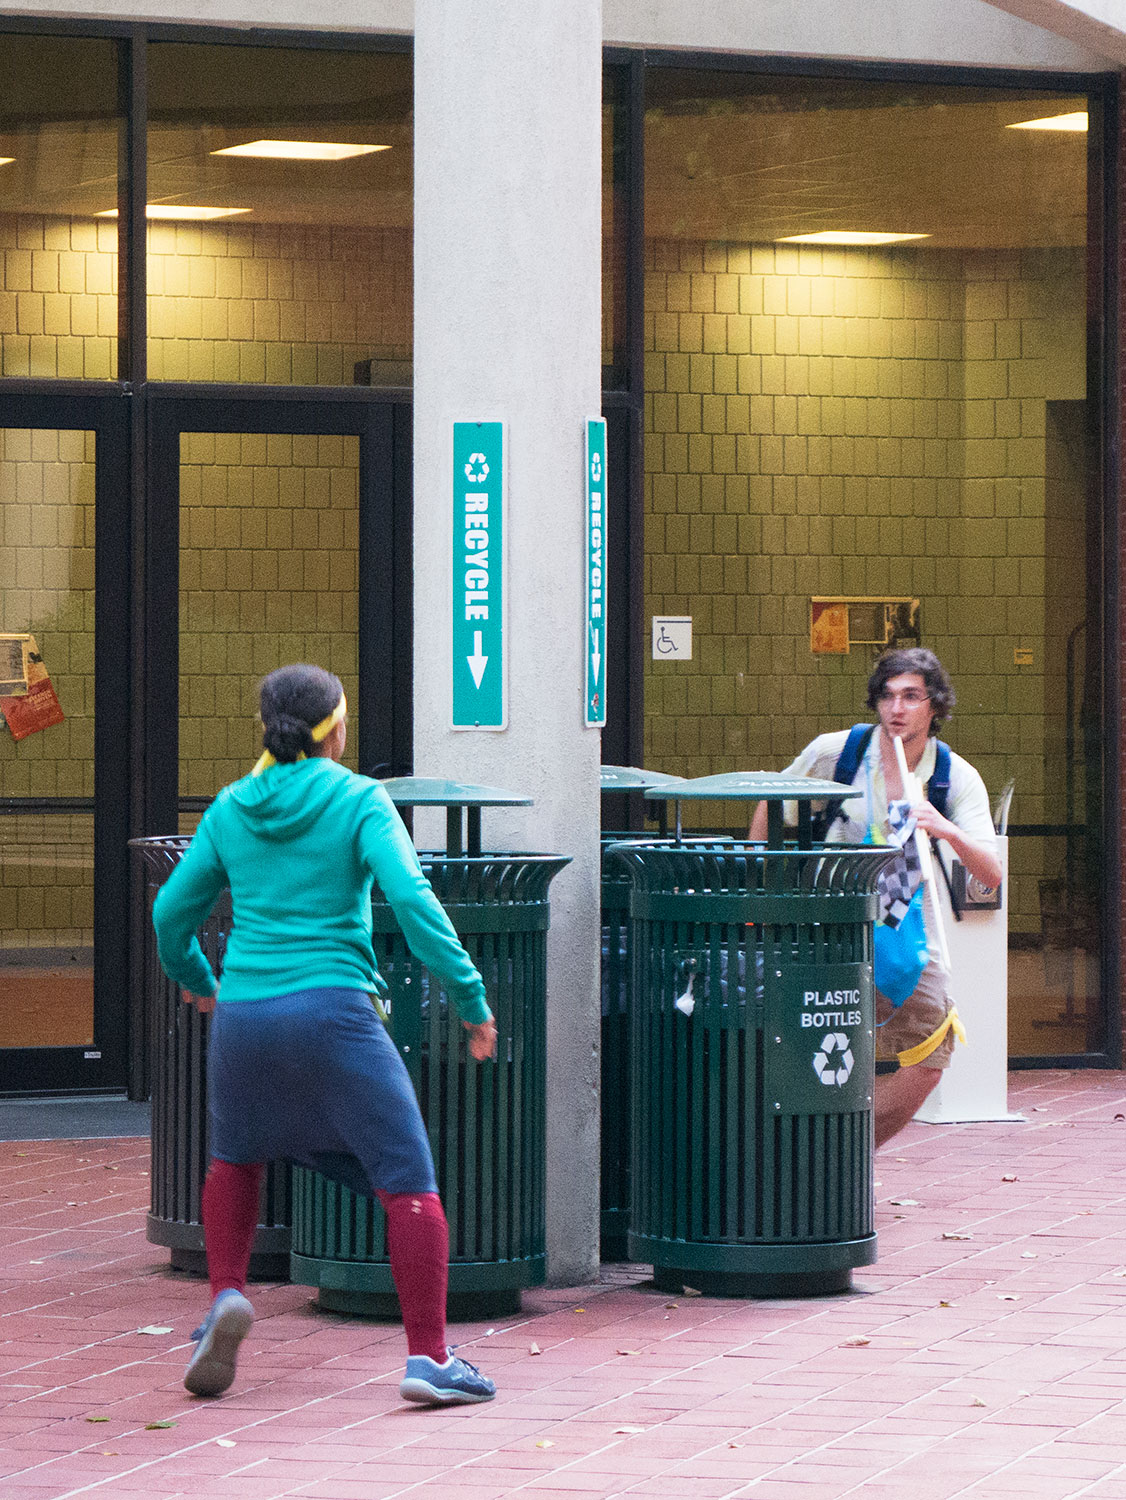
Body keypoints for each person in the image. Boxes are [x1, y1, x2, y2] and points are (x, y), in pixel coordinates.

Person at [152, 663, 499, 1405]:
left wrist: (202, 982)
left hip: (244, 1017)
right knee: (407, 1176)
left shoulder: (232, 806)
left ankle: (224, 1297)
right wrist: (470, 997)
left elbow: (169, 916)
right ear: (337, 729)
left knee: (236, 1159)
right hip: (336, 1011)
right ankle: (430, 1361)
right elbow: (411, 897)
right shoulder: (360, 799)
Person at [750, 648, 1002, 1147]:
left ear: (934, 706)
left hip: (904, 928)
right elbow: (771, 802)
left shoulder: (954, 774)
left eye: (911, 696)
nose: (897, 709)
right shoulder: (837, 752)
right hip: (827, 923)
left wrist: (944, 826)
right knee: (821, 1046)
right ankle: (811, 1166)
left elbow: (990, 873)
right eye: (887, 696)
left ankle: (847, 1156)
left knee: (930, 1056)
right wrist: (765, 888)